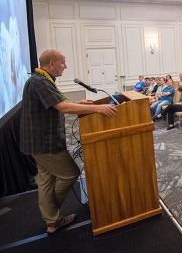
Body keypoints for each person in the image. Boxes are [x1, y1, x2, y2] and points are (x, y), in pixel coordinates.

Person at [20, 49, 117, 234]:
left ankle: (52, 221)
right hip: (44, 143)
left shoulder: (42, 80)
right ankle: (52, 215)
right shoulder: (40, 82)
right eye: (63, 62)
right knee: (70, 173)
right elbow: (62, 107)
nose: (65, 66)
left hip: (39, 142)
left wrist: (80, 104)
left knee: (46, 180)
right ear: (51, 64)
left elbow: (54, 105)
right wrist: (98, 109)